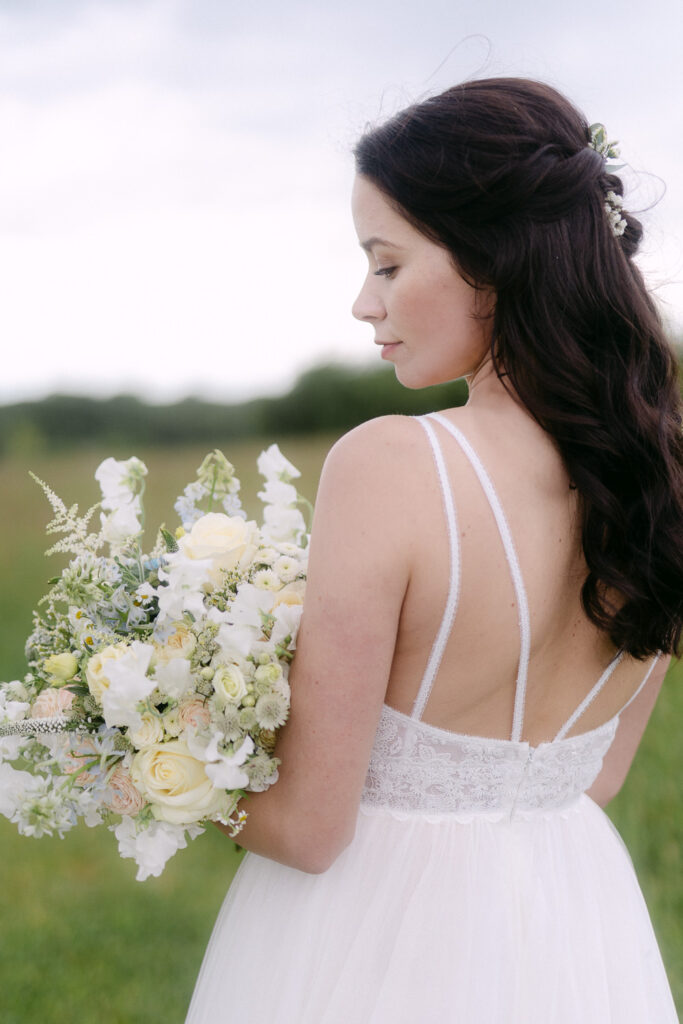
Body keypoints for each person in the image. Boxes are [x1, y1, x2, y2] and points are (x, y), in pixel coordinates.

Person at [185, 78, 683, 1022]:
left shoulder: (392, 463)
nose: (362, 304)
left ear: (490, 263)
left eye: (385, 263)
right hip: (570, 921)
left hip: (367, 936)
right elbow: (598, 777)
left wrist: (143, 765)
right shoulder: (662, 476)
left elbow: (310, 828)